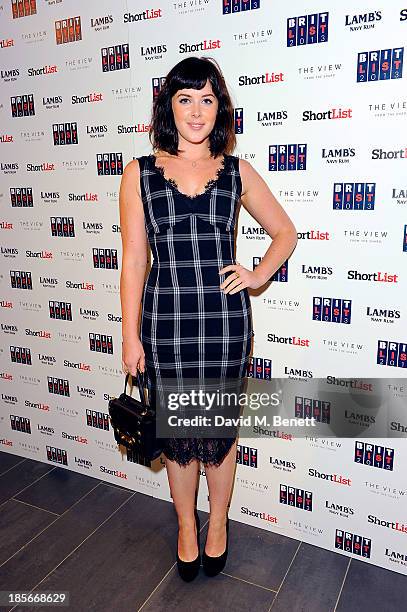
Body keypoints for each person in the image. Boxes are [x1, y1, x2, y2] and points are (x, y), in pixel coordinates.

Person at [119, 56, 297, 581]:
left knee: (217, 432)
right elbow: (134, 260)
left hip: (223, 323)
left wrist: (257, 274)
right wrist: (130, 335)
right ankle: (185, 527)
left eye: (207, 99)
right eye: (184, 98)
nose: (196, 111)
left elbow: (284, 233)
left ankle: (217, 522)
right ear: (167, 106)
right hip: (166, 322)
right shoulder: (140, 174)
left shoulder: (235, 172)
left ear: (219, 108)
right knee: (177, 435)